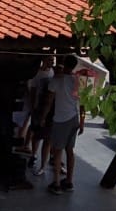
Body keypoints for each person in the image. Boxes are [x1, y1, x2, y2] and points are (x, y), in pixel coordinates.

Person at [40, 54, 84, 194]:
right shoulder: (78, 81)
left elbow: (48, 102)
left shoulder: (56, 80)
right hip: (74, 118)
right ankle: (69, 181)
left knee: (57, 151)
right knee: (70, 151)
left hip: (60, 119)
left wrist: (43, 117)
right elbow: (83, 105)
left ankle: (57, 182)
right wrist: (82, 122)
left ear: (64, 63)